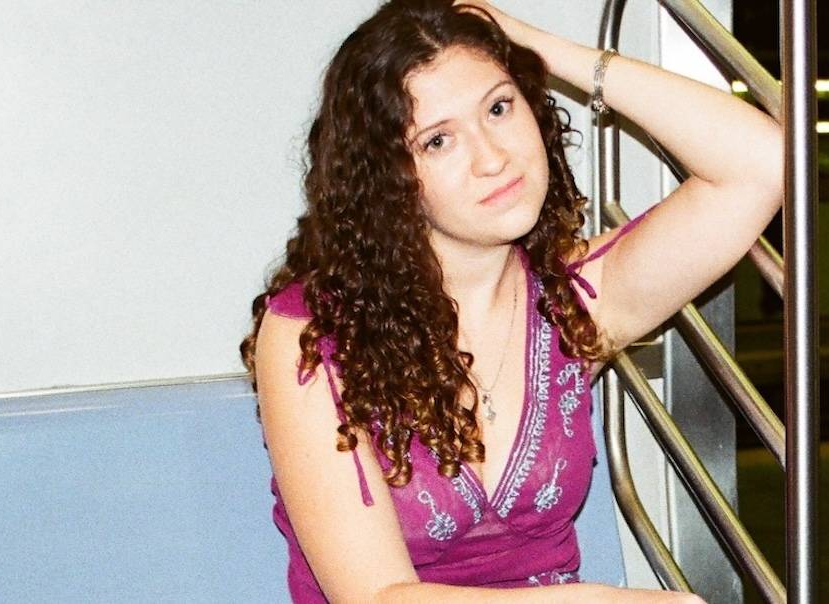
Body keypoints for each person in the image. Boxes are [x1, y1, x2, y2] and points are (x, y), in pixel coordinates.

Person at [239, 1, 782, 601]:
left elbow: (763, 164)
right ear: (387, 179)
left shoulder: (573, 301)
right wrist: (593, 601)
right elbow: (375, 595)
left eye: (499, 107)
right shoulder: (312, 335)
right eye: (438, 141)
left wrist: (543, 49)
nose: (493, 158)